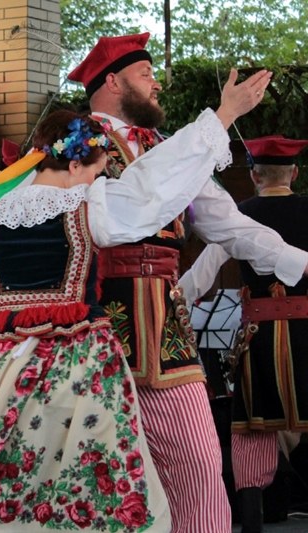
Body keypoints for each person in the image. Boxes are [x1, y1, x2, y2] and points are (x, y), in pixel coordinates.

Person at [0, 90, 264, 531]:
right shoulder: (88, 207)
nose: (97, 180)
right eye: (95, 171)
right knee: (86, 491)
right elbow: (154, 186)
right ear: (74, 165)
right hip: (76, 365)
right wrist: (222, 115)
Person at [67, 32, 308, 532]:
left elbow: (228, 225)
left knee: (199, 468)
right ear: (113, 82)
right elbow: (118, 216)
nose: (157, 84)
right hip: (95, 330)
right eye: (145, 74)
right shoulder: (73, 143)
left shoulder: (165, 146)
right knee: (96, 477)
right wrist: (221, 117)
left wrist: (299, 261)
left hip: (167, 334)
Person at [179, 135, 308, 533]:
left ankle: (252, 524)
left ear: (254, 176)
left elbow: (199, 277)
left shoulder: (240, 217)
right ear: (294, 173)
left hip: (259, 338)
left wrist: (168, 304)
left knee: (252, 428)